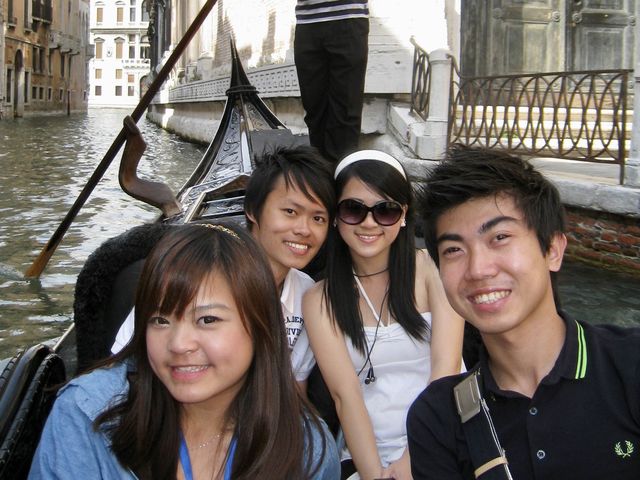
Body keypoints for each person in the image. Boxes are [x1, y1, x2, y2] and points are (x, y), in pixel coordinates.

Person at [30, 224, 339, 479]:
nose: (178, 344)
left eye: (207, 319)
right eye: (160, 320)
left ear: (261, 328)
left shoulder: (308, 450)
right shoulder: (86, 415)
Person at [407, 145, 640, 479]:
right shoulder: (438, 418)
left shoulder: (629, 366)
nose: (478, 269)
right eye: (454, 249)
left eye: (500, 237)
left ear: (553, 250)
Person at [112, 145, 335, 389]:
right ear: (252, 210)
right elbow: (119, 372)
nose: (304, 230)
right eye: (290, 211)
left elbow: (294, 387)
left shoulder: (307, 294)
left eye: (318, 218)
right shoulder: (193, 270)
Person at [303, 150, 465, 480]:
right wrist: (375, 473)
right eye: (353, 209)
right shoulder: (319, 299)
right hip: (369, 448)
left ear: (404, 215)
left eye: (385, 211)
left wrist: (412, 458)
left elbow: (445, 372)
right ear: (336, 216)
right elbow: (345, 396)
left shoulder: (431, 268)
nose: (369, 223)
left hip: (445, 433)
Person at [294, 0, 369, 163]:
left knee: (345, 112)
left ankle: (342, 179)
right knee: (314, 112)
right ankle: (322, 178)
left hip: (348, 16)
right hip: (306, 22)